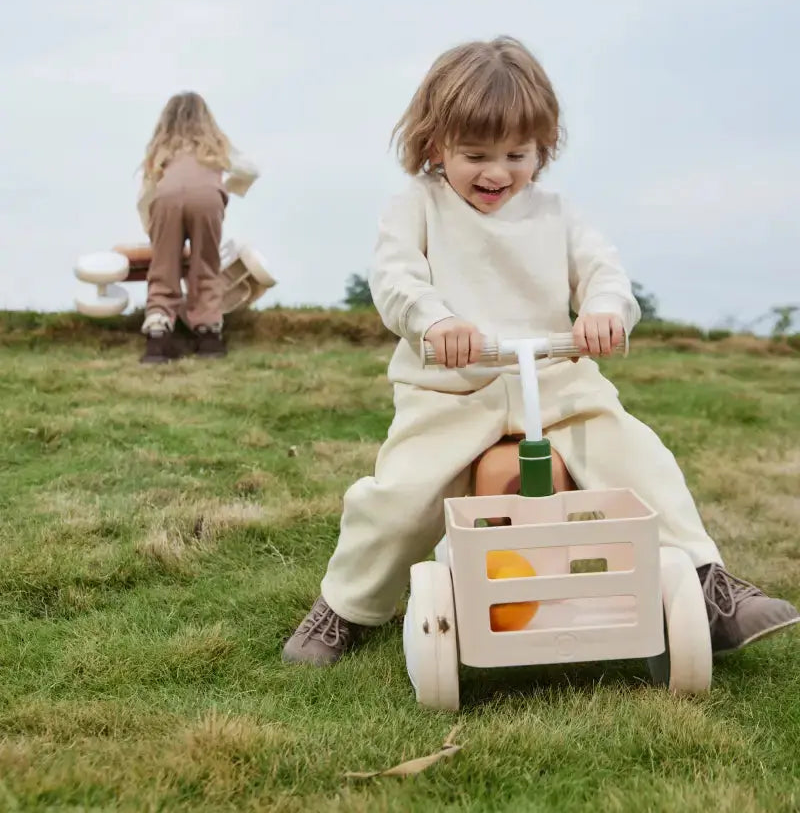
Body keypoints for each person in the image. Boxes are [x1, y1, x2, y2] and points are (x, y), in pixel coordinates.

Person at [282, 36, 799, 665]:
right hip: (453, 390)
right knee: (399, 498)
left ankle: (707, 583)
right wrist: (435, 319)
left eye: (516, 154)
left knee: (640, 460)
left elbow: (603, 272)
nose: (496, 173)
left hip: (558, 385)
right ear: (435, 144)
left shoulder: (558, 214)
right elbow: (396, 281)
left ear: (542, 149)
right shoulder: (417, 207)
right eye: (475, 155)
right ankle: (345, 609)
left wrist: (607, 312)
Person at [137, 91, 259, 364]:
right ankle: (208, 337)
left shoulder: (162, 148)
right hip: (207, 199)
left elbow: (145, 194)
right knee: (205, 263)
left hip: (165, 199)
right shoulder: (214, 145)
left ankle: (157, 337)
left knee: (163, 267)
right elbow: (251, 169)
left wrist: (153, 231)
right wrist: (223, 188)